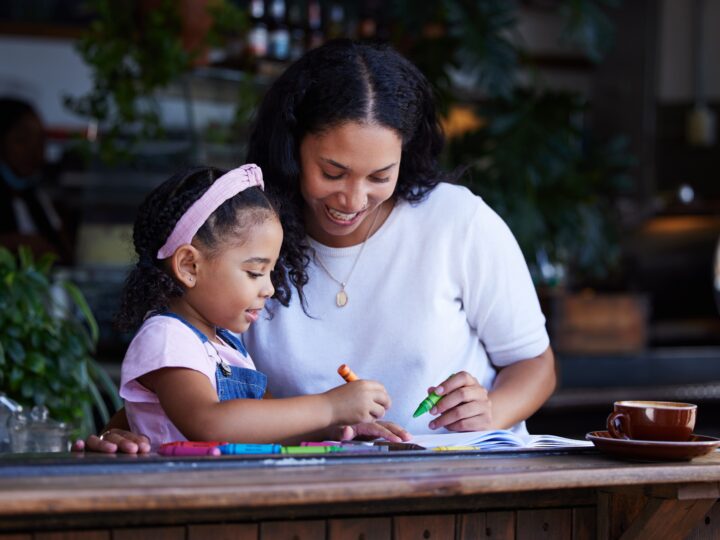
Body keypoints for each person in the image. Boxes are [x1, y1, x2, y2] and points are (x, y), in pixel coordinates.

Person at [78, 39, 555, 453]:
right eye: (332, 172)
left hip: (464, 484)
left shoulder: (456, 221)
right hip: (314, 492)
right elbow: (188, 381)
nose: (352, 199)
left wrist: (489, 412)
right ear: (292, 147)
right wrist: (125, 433)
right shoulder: (252, 238)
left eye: (379, 177)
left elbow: (536, 363)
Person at [110, 162, 407, 447]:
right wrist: (329, 406)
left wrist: (339, 428)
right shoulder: (167, 337)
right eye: (254, 272)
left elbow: (262, 430)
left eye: (270, 272)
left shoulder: (226, 346)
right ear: (189, 266)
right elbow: (208, 423)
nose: (268, 289)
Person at [0, 97, 73, 263]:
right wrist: (17, 242)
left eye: (40, 141)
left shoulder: (40, 197)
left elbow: (64, 252)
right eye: (22, 140)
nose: (35, 152)